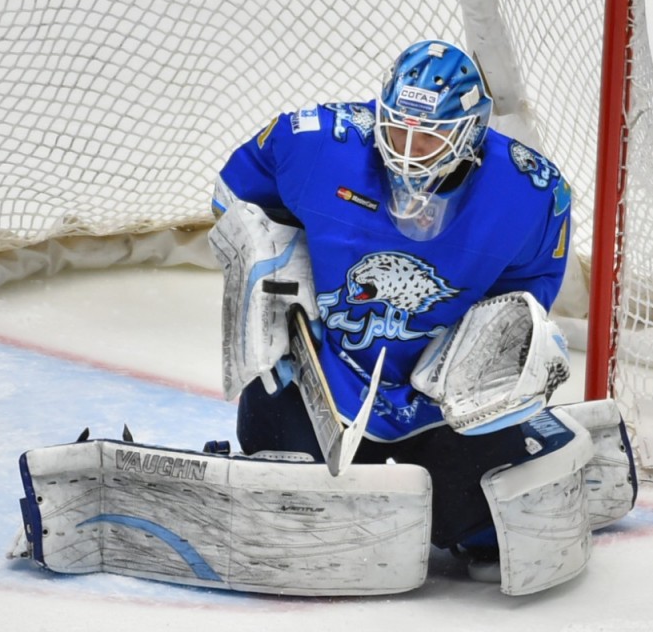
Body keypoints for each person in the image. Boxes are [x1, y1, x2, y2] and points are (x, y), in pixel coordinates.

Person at [208, 39, 636, 592]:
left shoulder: (529, 192)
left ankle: (532, 445)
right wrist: (278, 268)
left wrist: (487, 364)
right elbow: (234, 198)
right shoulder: (316, 142)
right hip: (327, 383)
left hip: (438, 403)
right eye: (396, 130)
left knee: (487, 529)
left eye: (429, 136)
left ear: (471, 133)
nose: (407, 151)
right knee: (284, 467)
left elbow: (526, 302)